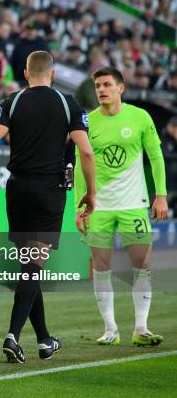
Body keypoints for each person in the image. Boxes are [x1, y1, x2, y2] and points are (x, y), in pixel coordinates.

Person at [0, 51, 96, 363]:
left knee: (29, 267)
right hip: (50, 191)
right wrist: (91, 192)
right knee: (31, 268)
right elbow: (86, 151)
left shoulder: (11, 101)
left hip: (18, 189)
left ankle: (43, 340)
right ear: (51, 74)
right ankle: (12, 335)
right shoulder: (68, 104)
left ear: (26, 74)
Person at [75, 67, 168, 347]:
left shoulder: (140, 117)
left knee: (143, 264)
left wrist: (160, 195)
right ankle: (110, 329)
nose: (101, 90)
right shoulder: (87, 122)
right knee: (101, 267)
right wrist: (80, 207)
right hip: (99, 207)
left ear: (121, 88)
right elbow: (81, 167)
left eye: (106, 85)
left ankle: (141, 328)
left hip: (134, 205)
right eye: (97, 86)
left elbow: (156, 156)